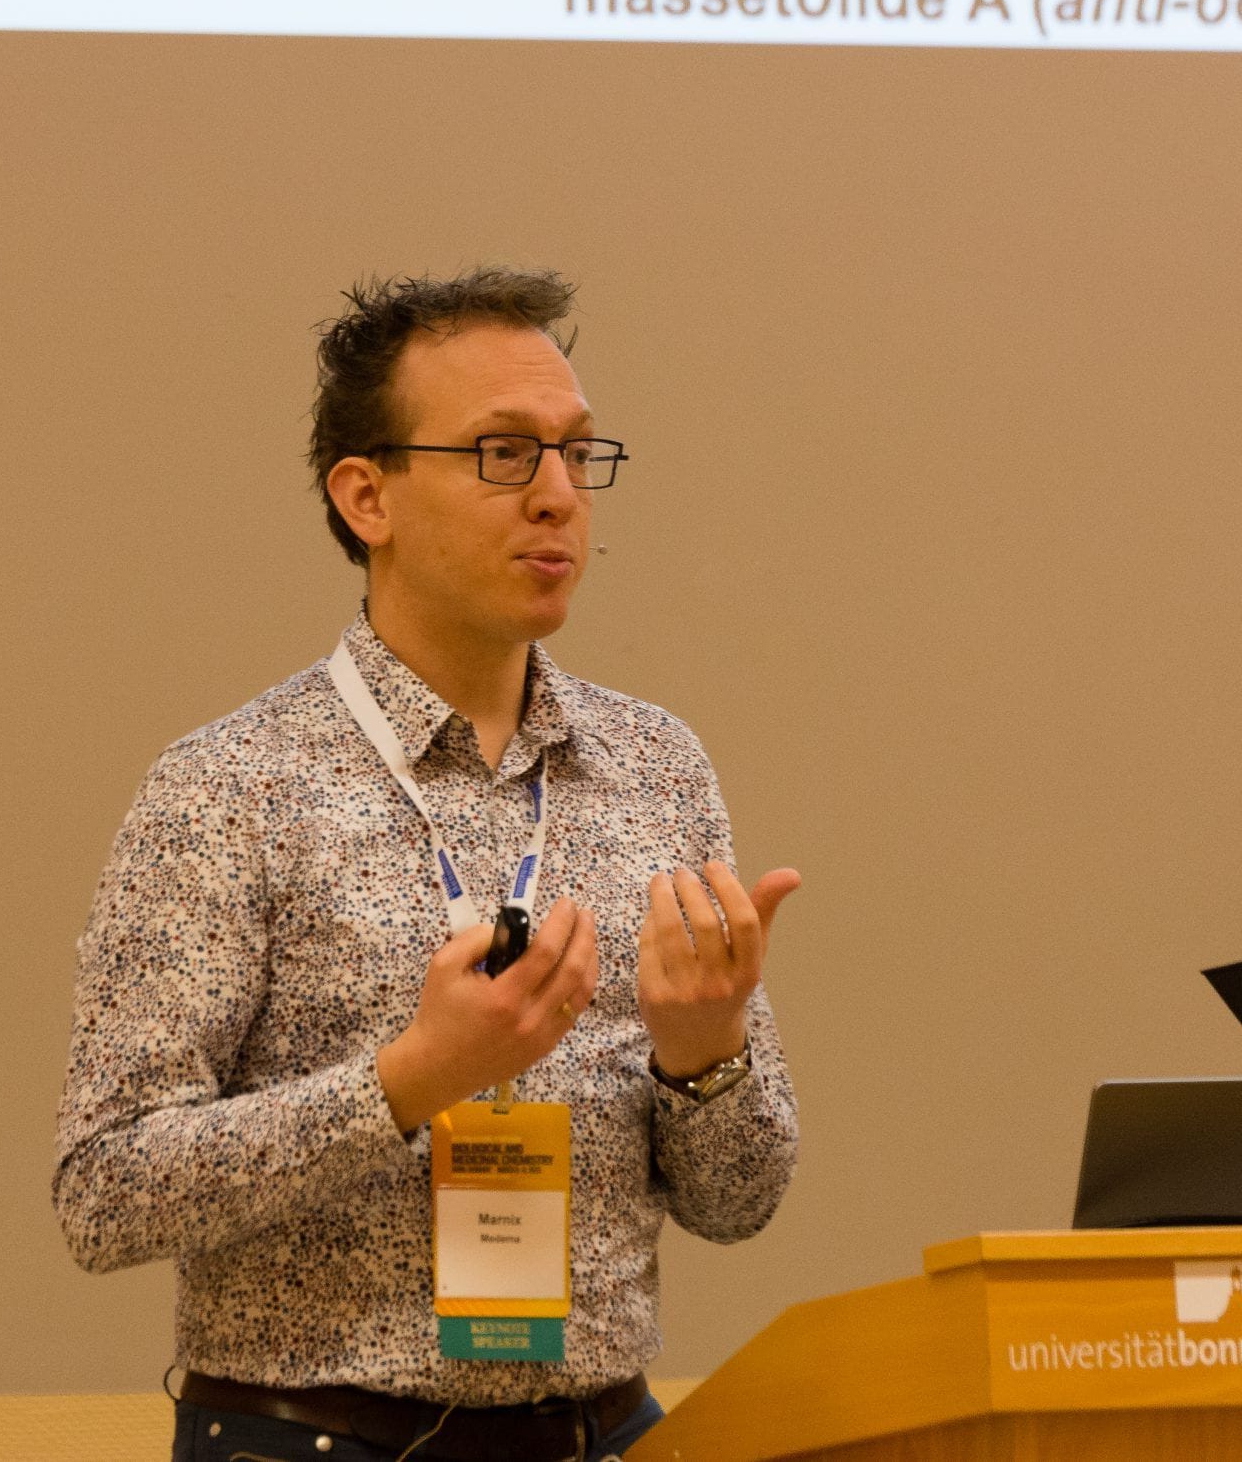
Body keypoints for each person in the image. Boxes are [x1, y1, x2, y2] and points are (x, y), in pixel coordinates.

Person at [54, 267, 801, 1462]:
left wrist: (706, 1061)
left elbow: (737, 1201)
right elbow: (105, 1194)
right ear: (367, 496)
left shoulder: (657, 766)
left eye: (576, 453)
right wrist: (410, 1080)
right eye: (504, 455)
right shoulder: (231, 787)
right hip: (316, 1442)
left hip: (605, 1435)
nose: (558, 496)